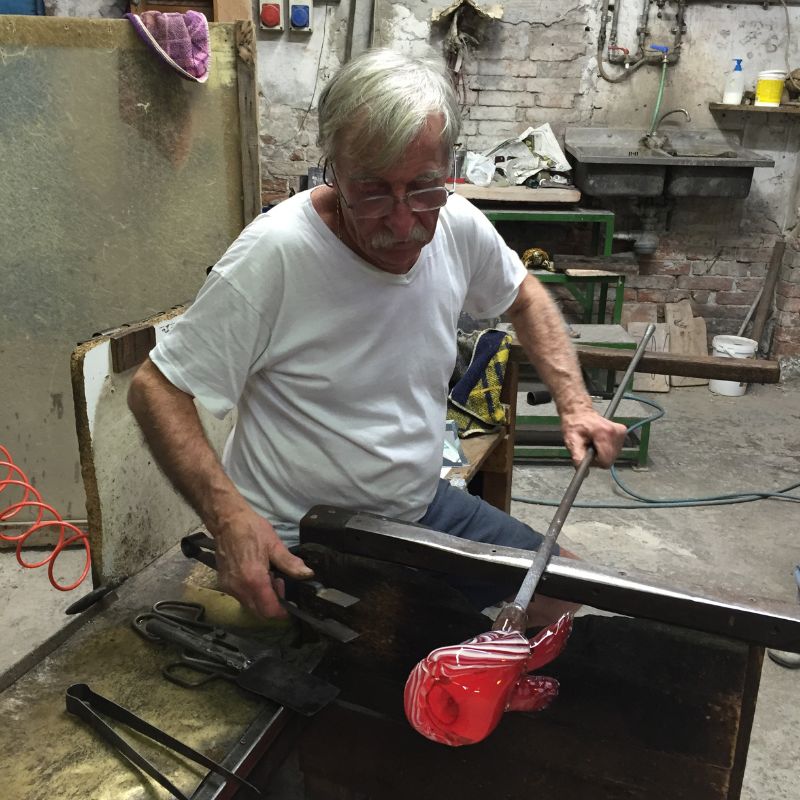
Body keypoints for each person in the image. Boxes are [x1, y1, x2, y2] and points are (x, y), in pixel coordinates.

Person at [128, 48, 627, 625]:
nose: (401, 220)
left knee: (572, 592)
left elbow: (524, 295)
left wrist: (576, 405)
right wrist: (231, 519)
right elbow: (157, 388)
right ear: (333, 172)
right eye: (371, 191)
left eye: (423, 188)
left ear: (449, 168)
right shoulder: (277, 254)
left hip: (419, 506)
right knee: (365, 676)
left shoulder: (458, 225)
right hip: (299, 537)